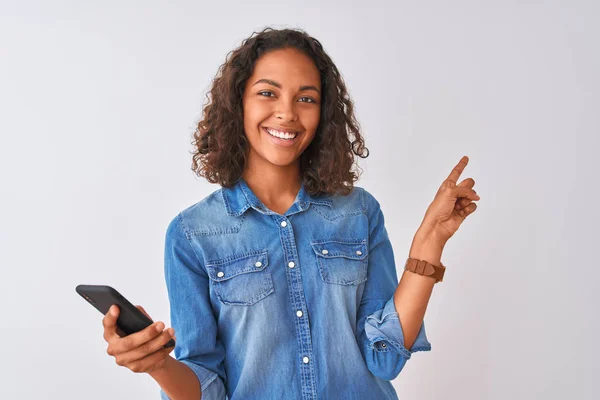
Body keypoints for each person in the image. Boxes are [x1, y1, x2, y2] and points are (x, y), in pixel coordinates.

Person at [101, 27, 481, 400]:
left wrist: (430, 242)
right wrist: (157, 365)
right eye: (268, 93)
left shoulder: (359, 212)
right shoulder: (192, 234)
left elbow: (384, 359)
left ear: (324, 114)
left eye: (307, 98)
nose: (287, 113)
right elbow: (207, 389)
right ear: (239, 103)